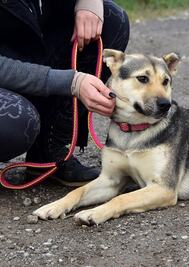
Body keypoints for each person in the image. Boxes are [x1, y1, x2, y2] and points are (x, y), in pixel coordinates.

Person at [0, 0, 130, 186]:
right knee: (17, 122)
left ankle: (49, 153)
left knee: (111, 19)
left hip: (22, 48)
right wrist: (71, 82)